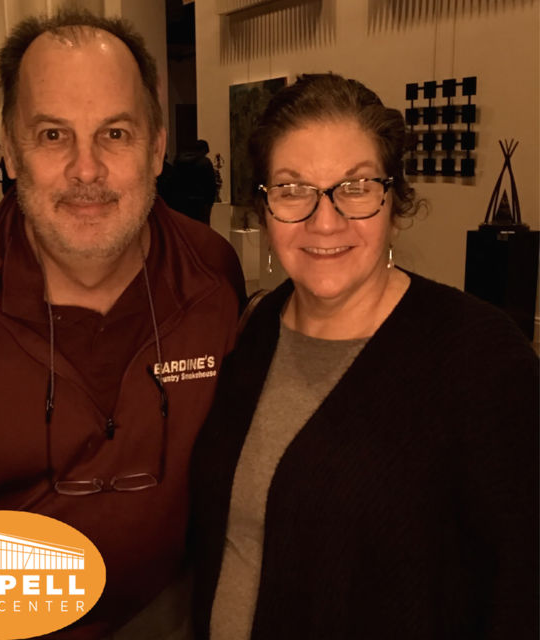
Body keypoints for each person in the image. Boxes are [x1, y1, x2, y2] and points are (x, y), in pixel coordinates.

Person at [0, 10, 244, 640]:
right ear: (10, 150)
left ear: (156, 146)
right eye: (53, 135)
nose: (87, 170)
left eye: (115, 133)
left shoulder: (213, 279)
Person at [190, 73, 538, 639]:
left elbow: (523, 584)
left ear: (394, 201)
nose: (325, 221)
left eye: (355, 186)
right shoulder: (257, 328)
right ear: (265, 208)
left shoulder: (479, 359)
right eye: (293, 189)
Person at [170, 140, 217, 225]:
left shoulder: (179, 161)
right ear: (204, 150)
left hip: (181, 201)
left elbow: (173, 182)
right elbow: (210, 185)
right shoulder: (205, 162)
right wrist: (210, 201)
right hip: (201, 203)